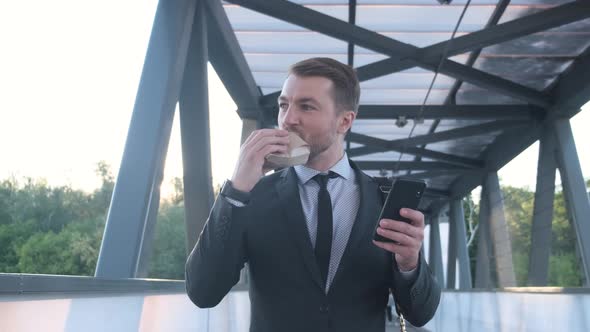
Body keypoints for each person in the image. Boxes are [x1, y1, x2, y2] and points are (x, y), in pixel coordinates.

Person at [185, 57, 441, 332]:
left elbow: (421, 314)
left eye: (306, 107)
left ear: (345, 121)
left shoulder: (382, 201)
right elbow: (203, 291)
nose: (288, 119)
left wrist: (409, 264)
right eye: (284, 105)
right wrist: (235, 190)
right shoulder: (251, 196)